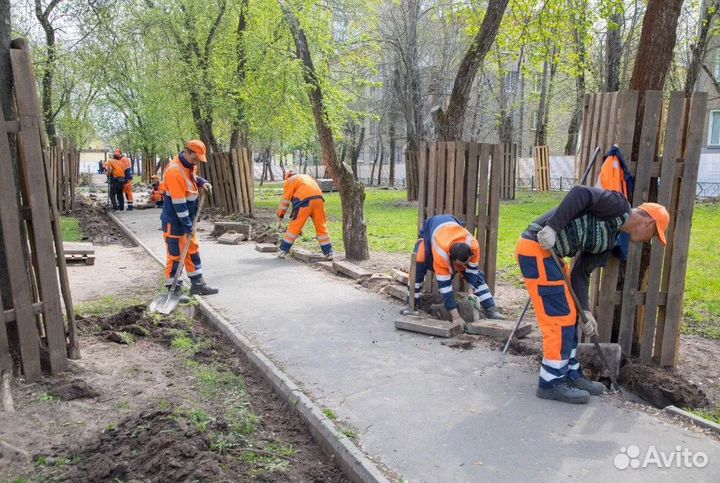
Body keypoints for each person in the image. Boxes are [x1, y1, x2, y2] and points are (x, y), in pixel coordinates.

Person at [515, 185, 669, 404]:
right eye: (653, 235)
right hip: (537, 248)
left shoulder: (609, 241)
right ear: (648, 223)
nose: (648, 240)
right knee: (559, 319)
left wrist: (586, 311)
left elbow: (581, 274)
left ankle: (570, 374)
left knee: (572, 316)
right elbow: (581, 193)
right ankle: (550, 383)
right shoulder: (618, 206)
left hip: (553, 257)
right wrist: (552, 228)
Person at [407, 214, 504, 326]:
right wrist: (456, 317)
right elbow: (445, 287)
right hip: (430, 230)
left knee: (478, 276)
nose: (461, 267)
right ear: (450, 257)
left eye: (466, 262)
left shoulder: (473, 245)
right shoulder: (441, 254)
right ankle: (412, 303)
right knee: (419, 260)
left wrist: (470, 292)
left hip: (452, 224)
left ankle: (491, 309)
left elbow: (473, 272)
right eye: (458, 264)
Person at [161, 140, 218, 297]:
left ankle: (197, 284)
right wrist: (187, 226)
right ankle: (174, 289)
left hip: (187, 220)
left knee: (192, 250)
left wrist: (202, 182)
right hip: (175, 221)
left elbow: (193, 177)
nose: (197, 161)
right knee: (175, 255)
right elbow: (179, 204)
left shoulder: (189, 165)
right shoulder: (174, 172)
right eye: (195, 158)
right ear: (187, 152)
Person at [277, 170, 333, 260]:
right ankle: (329, 252)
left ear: (287, 177)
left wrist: (280, 215)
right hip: (319, 200)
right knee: (321, 226)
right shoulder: (307, 177)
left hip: (305, 202)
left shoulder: (290, 180)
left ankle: (283, 250)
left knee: (295, 226)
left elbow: (285, 201)